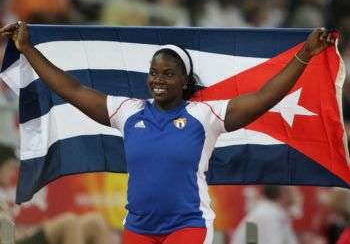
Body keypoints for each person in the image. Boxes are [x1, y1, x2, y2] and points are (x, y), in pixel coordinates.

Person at [0, 21, 334, 244]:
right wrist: (28, 49)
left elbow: (264, 97)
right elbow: (71, 89)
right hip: (138, 227)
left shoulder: (205, 115)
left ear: (185, 81)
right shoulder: (126, 112)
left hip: (188, 224)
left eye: (168, 73)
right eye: (154, 73)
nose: (158, 79)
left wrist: (304, 55)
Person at [0, 143, 110, 244]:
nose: (12, 172)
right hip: (15, 239)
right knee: (68, 222)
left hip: (29, 233)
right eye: (9, 167)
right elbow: (6, 235)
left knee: (95, 222)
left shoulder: (10, 191)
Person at [230, 186, 299, 244]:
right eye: (294, 188)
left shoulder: (271, 213)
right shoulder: (266, 215)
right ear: (284, 192)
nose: (298, 193)